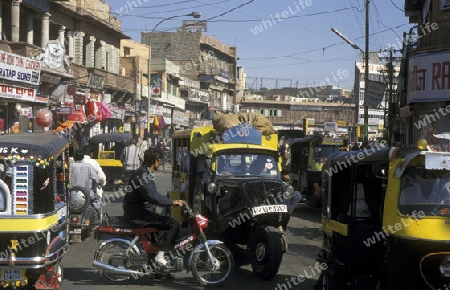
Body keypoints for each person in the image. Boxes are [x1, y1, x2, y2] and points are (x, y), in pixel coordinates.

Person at [122, 147, 185, 268]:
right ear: (155, 160)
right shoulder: (143, 175)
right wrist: (172, 202)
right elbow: (152, 196)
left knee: (160, 230)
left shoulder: (143, 172)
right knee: (174, 224)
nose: (160, 163)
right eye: (159, 160)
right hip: (138, 215)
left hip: (140, 212)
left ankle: (159, 269)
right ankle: (160, 256)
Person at [70, 149, 101, 219]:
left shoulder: (70, 166)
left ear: (74, 157)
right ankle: (98, 218)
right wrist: (93, 188)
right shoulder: (89, 166)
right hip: (87, 195)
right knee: (98, 200)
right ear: (83, 157)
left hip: (71, 195)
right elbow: (96, 181)